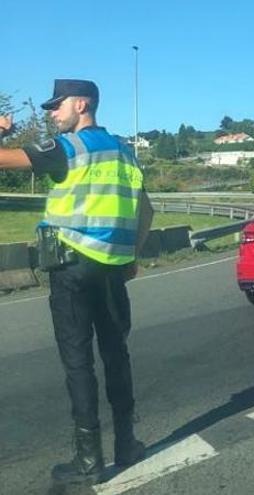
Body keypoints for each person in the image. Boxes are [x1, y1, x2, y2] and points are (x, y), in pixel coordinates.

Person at [0, 79, 147, 485]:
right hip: (114, 269)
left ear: (81, 104)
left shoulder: (68, 148)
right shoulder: (125, 152)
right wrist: (132, 254)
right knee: (117, 355)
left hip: (71, 268)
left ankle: (89, 460)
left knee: (78, 362)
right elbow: (145, 210)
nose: (50, 113)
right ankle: (127, 444)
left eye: (56, 105)